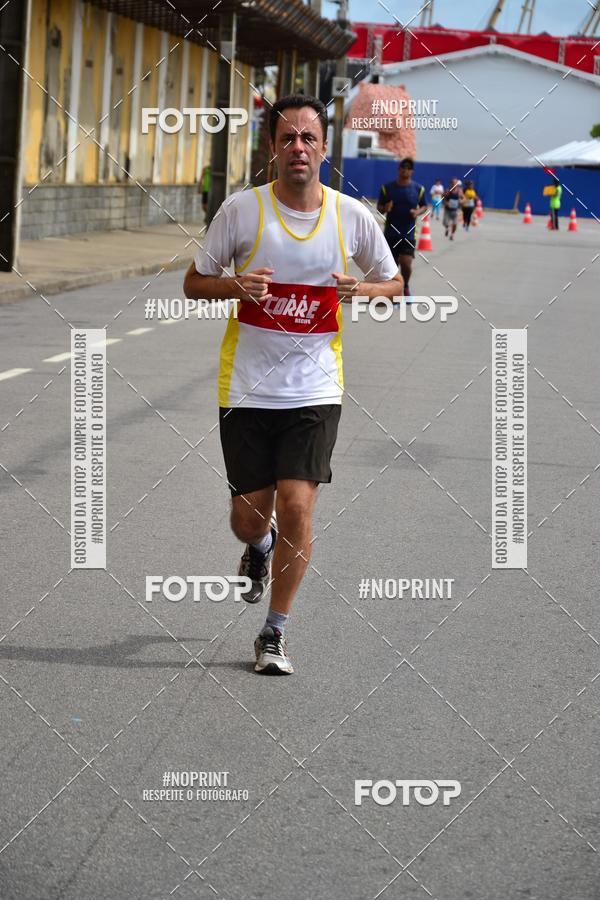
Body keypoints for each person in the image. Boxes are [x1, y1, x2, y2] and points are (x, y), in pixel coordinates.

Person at [183, 94, 403, 675]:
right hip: (248, 390)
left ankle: (273, 633)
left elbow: (395, 283)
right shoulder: (241, 212)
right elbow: (193, 282)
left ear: (324, 149)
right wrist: (235, 287)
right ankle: (257, 547)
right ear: (271, 149)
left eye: (308, 138)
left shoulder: (351, 216)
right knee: (248, 517)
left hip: (315, 390)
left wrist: (361, 291)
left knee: (298, 505)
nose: (298, 148)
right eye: (287, 139)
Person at [377, 158, 428, 297]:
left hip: (409, 233)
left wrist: (417, 212)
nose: (406, 170)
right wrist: (385, 207)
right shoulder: (387, 188)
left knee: (406, 263)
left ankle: (405, 285)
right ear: (399, 169)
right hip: (391, 233)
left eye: (409, 168)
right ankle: (394, 291)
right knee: (392, 266)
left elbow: (425, 205)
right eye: (403, 167)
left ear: (412, 171)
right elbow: (379, 208)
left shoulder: (418, 189)